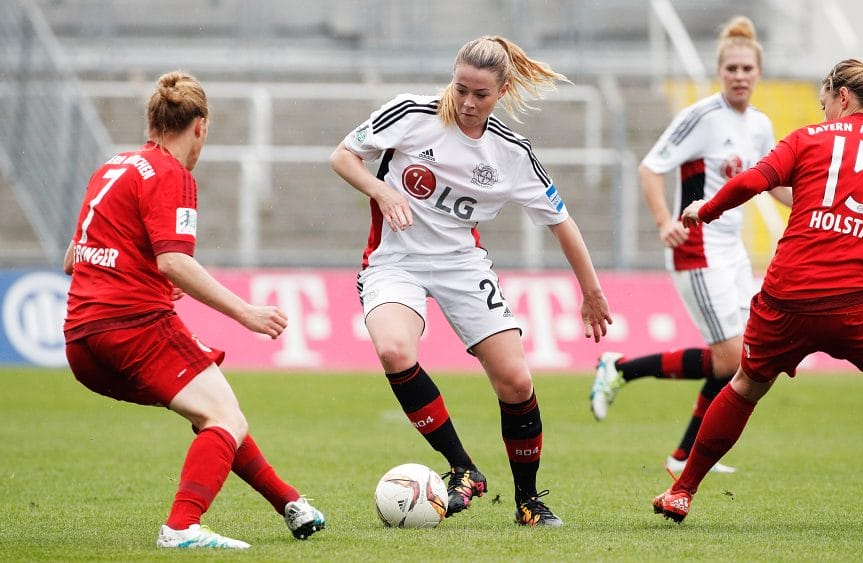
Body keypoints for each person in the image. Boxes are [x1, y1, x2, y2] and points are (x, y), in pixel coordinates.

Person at [652, 50, 863, 529]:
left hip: (787, 297)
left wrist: (706, 210)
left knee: (744, 383)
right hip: (861, 304)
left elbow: (751, 181)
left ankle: (681, 492)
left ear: (842, 97)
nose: (823, 110)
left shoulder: (807, 138)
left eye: (825, 101)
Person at [330, 35, 612, 528]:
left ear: (501, 91)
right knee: (395, 350)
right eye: (460, 88)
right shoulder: (412, 115)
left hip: (463, 265)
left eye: (480, 93)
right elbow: (342, 156)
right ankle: (463, 468)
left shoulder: (511, 154)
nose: (465, 102)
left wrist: (591, 292)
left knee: (516, 380)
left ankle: (529, 501)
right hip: (395, 261)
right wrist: (378, 187)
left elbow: (560, 221)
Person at [63, 71, 326, 549]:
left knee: (215, 413)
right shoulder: (173, 174)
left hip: (82, 341)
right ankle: (181, 526)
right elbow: (174, 260)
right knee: (223, 417)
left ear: (153, 121)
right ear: (200, 126)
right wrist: (246, 312)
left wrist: (143, 272)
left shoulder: (113, 167)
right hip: (134, 328)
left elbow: (72, 258)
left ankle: (291, 503)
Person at [590, 16, 790, 475]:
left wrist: (817, 205)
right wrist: (664, 222)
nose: (740, 76)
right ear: (720, 72)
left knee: (743, 358)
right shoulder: (701, 117)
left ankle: (683, 457)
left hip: (732, 249)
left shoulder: (759, 124)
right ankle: (619, 369)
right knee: (732, 357)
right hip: (696, 246)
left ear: (759, 73)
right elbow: (649, 168)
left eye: (747, 69)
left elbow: (771, 186)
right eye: (732, 68)